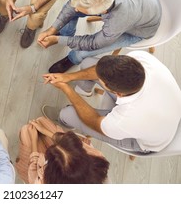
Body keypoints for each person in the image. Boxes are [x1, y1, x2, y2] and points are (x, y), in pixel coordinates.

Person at [42, 51, 181, 153]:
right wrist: (68, 77)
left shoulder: (126, 119)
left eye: (102, 81)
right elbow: (98, 70)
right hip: (166, 109)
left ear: (117, 93)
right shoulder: (142, 60)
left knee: (69, 114)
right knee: (87, 63)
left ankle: (63, 120)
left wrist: (67, 89)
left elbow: (94, 121)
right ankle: (85, 90)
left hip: (146, 141)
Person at [38, 0, 162, 73]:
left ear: (102, 11)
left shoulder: (118, 20)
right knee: (71, 11)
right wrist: (52, 29)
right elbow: (72, 5)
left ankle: (72, 59)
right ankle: (64, 33)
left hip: (140, 29)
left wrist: (58, 40)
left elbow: (94, 43)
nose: (74, 8)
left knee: (84, 51)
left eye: (79, 7)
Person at [16, 116, 109, 183]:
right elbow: (67, 142)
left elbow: (33, 171)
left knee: (26, 130)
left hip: (36, 170)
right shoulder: (97, 157)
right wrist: (46, 132)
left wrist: (33, 140)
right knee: (40, 121)